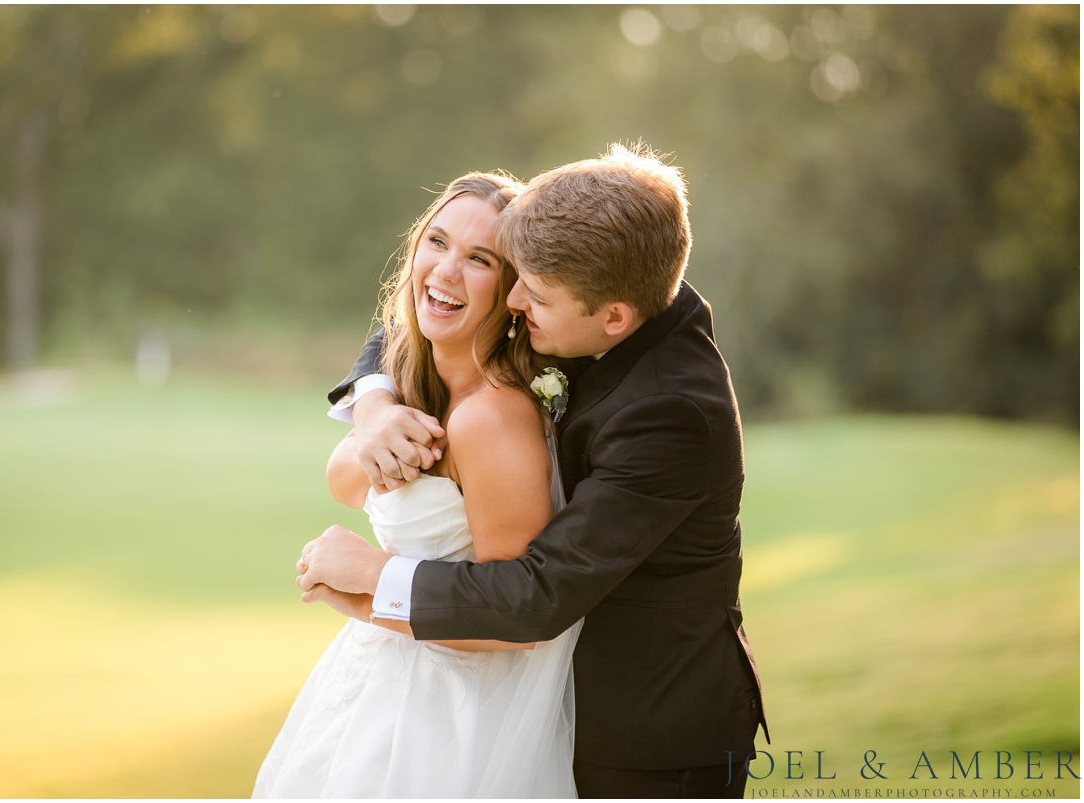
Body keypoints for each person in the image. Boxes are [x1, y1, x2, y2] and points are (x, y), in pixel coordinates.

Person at [299, 143, 769, 798]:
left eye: (532, 292)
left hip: (643, 732)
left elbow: (537, 595)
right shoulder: (607, 267)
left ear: (614, 317)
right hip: (516, 700)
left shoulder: (670, 410)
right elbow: (419, 308)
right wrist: (375, 405)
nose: (516, 300)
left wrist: (379, 579)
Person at [253, 172, 582, 798]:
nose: (446, 270)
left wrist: (367, 584)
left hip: (448, 719)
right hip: (377, 683)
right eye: (437, 241)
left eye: (479, 259)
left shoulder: (491, 418)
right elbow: (348, 484)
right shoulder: (413, 378)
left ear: (513, 291)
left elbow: (518, 620)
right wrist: (373, 421)